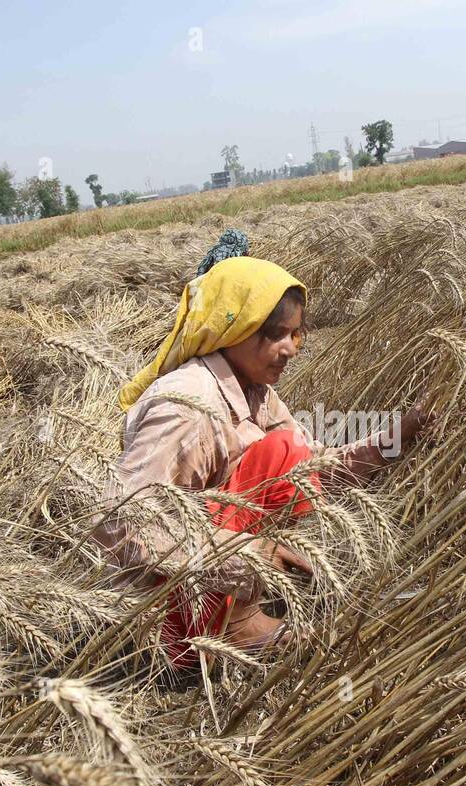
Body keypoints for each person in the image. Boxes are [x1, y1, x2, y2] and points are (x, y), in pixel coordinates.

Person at [94, 229, 431, 670]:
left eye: (295, 334)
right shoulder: (186, 407)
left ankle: (236, 612)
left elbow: (313, 467)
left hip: (203, 580)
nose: (290, 349)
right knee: (279, 453)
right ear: (233, 327)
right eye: (274, 334)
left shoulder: (252, 391)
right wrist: (248, 555)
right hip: (158, 621)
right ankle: (225, 627)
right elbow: (119, 521)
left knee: (287, 455)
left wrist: (396, 437)